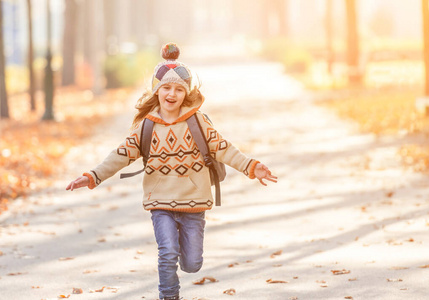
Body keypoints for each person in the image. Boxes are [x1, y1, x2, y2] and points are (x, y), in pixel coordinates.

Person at [66, 43, 277, 300]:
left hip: (194, 203)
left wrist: (252, 167)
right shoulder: (146, 127)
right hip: (160, 202)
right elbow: (120, 155)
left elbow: (224, 148)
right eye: (165, 87)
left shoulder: (197, 121)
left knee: (192, 264)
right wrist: (92, 176)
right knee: (167, 252)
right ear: (156, 91)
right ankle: (169, 296)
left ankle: (184, 256)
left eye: (178, 89)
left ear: (185, 93)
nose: (171, 93)